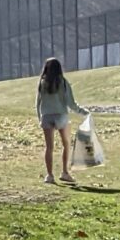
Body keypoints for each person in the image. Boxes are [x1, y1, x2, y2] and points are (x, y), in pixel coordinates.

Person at [36, 56, 89, 185]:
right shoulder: (63, 82)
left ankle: (49, 175)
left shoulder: (42, 83)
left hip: (46, 116)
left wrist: (40, 118)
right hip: (61, 116)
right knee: (66, 144)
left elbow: (38, 103)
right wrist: (83, 112)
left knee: (49, 147)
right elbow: (71, 103)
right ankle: (64, 172)